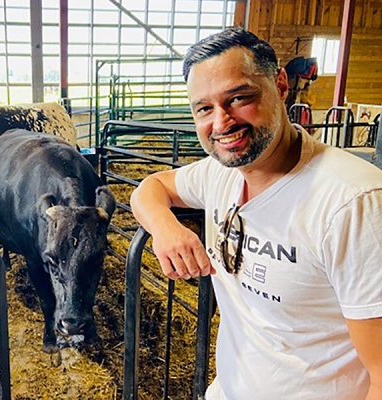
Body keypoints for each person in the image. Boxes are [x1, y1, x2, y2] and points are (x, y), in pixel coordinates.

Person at [130, 27, 382, 400]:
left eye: (239, 98)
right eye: (204, 108)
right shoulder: (220, 172)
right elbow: (150, 188)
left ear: (280, 86)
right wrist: (166, 229)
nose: (221, 123)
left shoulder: (354, 203)